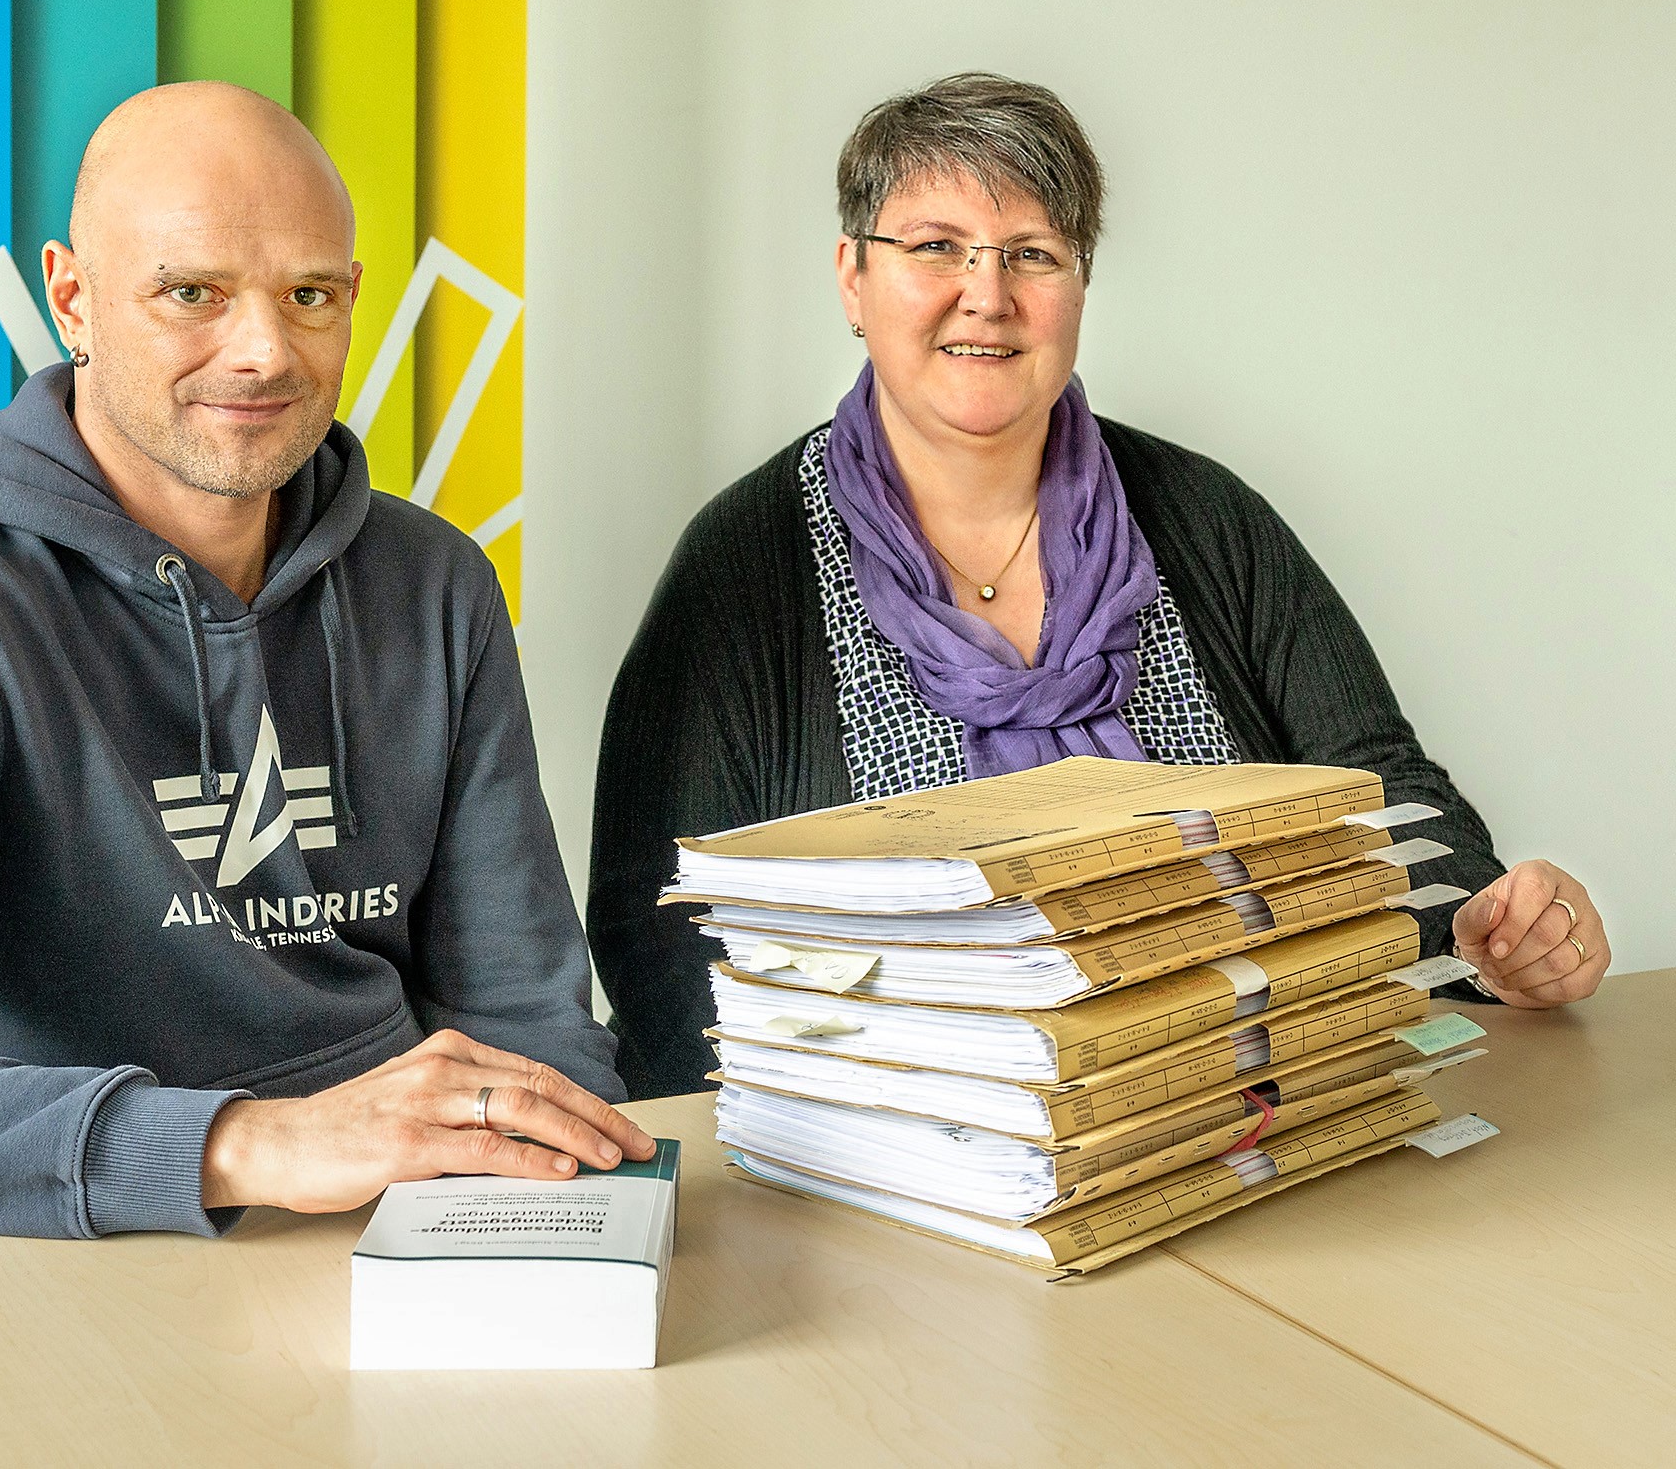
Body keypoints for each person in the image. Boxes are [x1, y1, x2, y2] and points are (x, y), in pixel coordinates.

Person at [0, 82, 653, 1237]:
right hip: (85, 1244)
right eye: (191, 293)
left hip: (411, 1232)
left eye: (307, 295)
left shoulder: (433, 582)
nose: (261, 350)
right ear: (73, 299)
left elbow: (523, 1015)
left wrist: (535, 1233)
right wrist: (247, 1141)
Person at [587, 71, 1611, 1100]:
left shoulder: (1205, 519)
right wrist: (795, 1144)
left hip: (1242, 1130)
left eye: (1031, 253)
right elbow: (655, 923)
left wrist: (1489, 923)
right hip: (895, 1168)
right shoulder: (741, 565)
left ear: (1079, 286)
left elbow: (1385, 793)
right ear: (852, 276)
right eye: (935, 245)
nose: (984, 294)